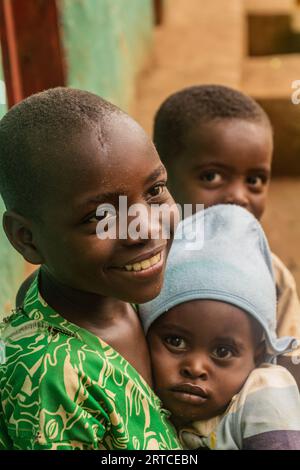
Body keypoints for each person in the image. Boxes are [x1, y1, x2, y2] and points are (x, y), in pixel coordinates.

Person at [0, 87, 181, 450]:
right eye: (100, 216)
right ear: (27, 239)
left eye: (155, 190)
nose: (145, 227)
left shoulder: (122, 291)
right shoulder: (50, 383)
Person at [153, 84, 300, 383]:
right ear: (161, 177)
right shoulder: (144, 264)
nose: (239, 196)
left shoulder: (272, 278)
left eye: (255, 179)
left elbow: (285, 368)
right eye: (212, 176)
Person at [140, 205, 300, 450]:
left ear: (257, 355)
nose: (195, 368)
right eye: (175, 341)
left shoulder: (265, 394)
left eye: (223, 352)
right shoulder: (145, 406)